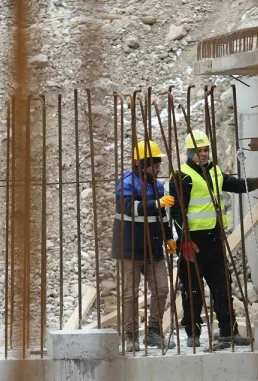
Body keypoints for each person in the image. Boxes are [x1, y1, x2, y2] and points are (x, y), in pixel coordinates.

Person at [169, 129, 258, 348]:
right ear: (190, 152)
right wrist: (183, 241)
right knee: (193, 292)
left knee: (223, 287)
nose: (204, 154)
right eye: (200, 151)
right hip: (192, 244)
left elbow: (233, 184)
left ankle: (228, 332)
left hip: (214, 239)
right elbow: (176, 212)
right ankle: (192, 334)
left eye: (206, 150)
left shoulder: (214, 171)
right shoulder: (182, 176)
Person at [111, 139, 177, 351]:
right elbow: (128, 207)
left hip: (154, 248)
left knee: (162, 289)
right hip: (129, 248)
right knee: (130, 294)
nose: (158, 169)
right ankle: (130, 336)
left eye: (158, 164)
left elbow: (161, 216)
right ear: (141, 164)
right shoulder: (126, 183)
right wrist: (155, 203)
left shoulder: (157, 185)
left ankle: (154, 332)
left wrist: (168, 236)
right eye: (154, 164)